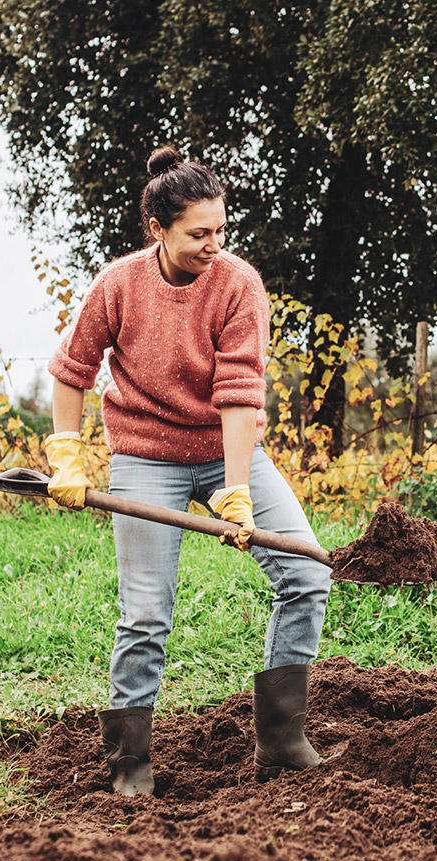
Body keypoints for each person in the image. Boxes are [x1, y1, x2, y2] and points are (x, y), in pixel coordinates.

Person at [42, 146, 331, 796]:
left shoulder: (237, 283)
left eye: (221, 230)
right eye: (200, 233)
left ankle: (282, 743)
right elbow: (71, 371)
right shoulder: (119, 285)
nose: (214, 244)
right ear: (158, 230)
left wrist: (235, 491)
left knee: (307, 570)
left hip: (228, 446)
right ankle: (129, 765)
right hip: (146, 456)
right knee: (145, 611)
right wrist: (66, 452)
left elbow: (238, 394)